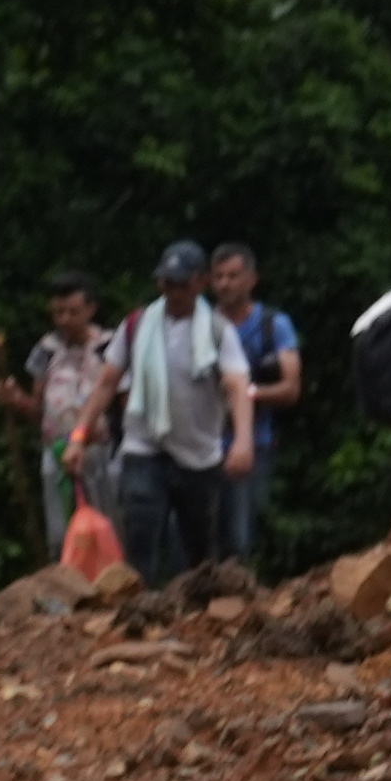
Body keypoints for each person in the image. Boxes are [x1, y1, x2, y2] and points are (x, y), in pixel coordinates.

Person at [112, 241, 250, 583]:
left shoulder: (217, 331)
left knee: (197, 548)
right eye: (166, 283)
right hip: (145, 446)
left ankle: (198, 616)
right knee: (140, 532)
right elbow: (106, 381)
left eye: (181, 283)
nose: (173, 291)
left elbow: (236, 386)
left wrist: (243, 440)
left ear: (200, 282)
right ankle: (137, 610)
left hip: (198, 454)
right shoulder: (137, 326)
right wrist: (79, 435)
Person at [0, 274, 116, 577]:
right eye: (58, 312)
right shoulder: (46, 350)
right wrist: (15, 400)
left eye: (72, 312)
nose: (64, 319)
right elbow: (37, 408)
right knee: (61, 530)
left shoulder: (110, 347)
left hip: (99, 450)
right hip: (57, 450)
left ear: (91, 309)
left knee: (105, 524)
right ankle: (65, 586)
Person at [212, 242, 299, 565]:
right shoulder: (202, 325)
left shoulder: (273, 325)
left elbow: (291, 387)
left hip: (254, 442)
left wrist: (246, 394)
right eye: (219, 276)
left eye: (233, 275)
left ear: (252, 279)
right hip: (201, 444)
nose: (225, 284)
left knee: (241, 537)